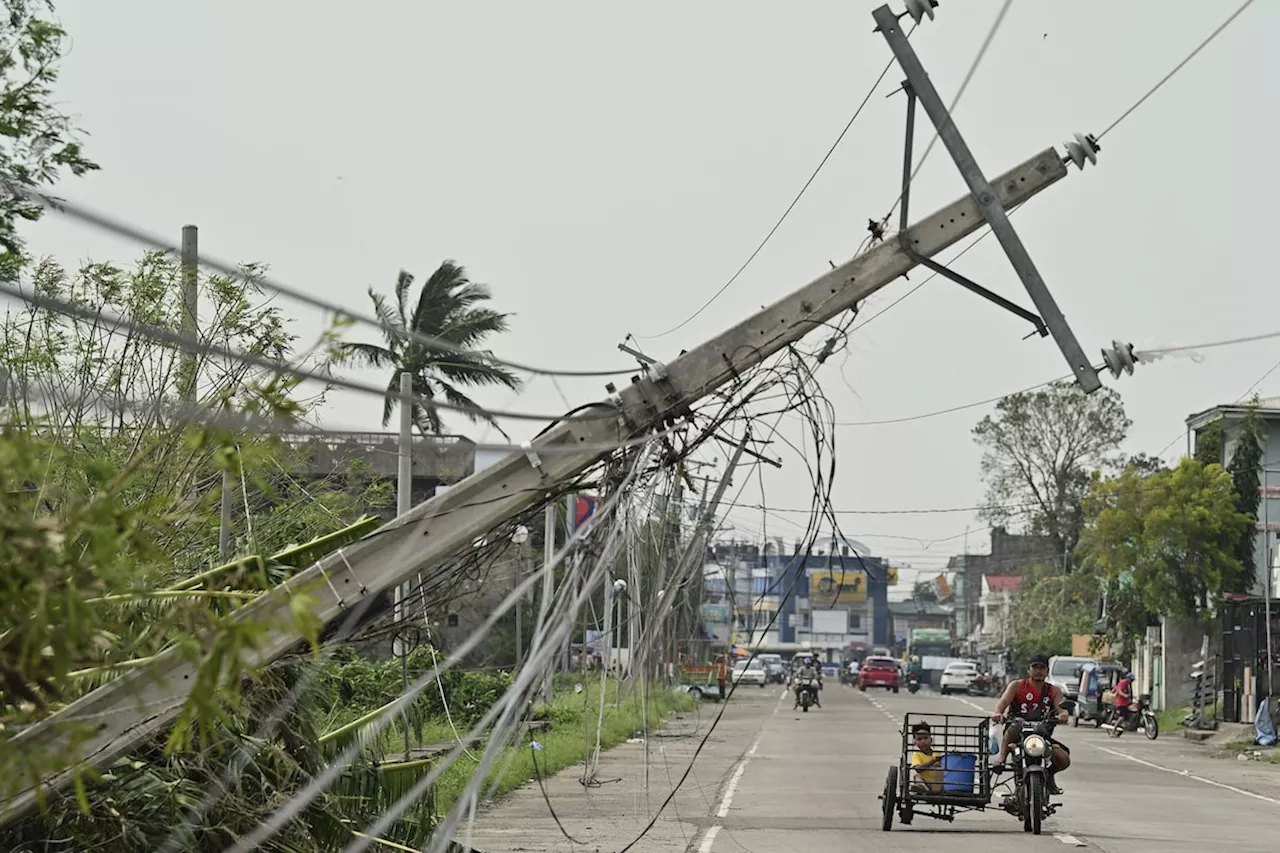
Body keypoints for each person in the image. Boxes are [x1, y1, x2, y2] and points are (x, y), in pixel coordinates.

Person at [991, 653, 1072, 795]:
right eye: (1035, 667)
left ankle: (1049, 775)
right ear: (1029, 670)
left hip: (1041, 735)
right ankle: (1001, 757)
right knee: (1015, 726)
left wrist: (1063, 715)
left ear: (1047, 671)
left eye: (1042, 668)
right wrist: (998, 713)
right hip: (1017, 734)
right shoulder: (1017, 686)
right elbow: (1003, 703)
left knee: (1064, 759)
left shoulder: (1053, 690)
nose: (1038, 671)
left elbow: (1061, 708)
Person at [908, 721, 944, 792]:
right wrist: (932, 761)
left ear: (931, 739)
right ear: (914, 742)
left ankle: (935, 792)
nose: (923, 741)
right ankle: (923, 788)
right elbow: (918, 769)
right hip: (925, 782)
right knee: (916, 776)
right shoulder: (917, 754)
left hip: (938, 783)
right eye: (919, 739)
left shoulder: (938, 752)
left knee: (940, 772)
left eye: (925, 738)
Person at [1111, 671, 1135, 736]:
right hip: (1121, 703)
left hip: (1127, 702)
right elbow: (1119, 691)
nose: (1132, 681)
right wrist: (1125, 695)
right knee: (1122, 717)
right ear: (1128, 678)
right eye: (1131, 679)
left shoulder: (1128, 685)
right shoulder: (1123, 682)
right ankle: (1113, 730)